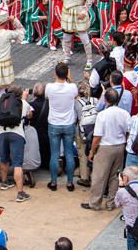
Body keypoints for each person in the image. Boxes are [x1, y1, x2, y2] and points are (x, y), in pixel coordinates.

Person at [34, 0, 93, 64]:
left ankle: (89, 60)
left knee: (84, 37)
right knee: (66, 36)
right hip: (67, 11)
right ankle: (67, 57)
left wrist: (84, 10)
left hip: (78, 11)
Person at [82, 88, 129, 211]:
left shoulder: (102, 115)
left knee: (99, 176)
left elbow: (97, 137)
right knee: (114, 176)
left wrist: (92, 152)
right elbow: (127, 132)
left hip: (105, 147)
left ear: (106, 100)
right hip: (119, 146)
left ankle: (95, 203)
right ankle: (110, 203)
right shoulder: (124, 113)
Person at [45, 62, 78, 191]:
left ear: (55, 73)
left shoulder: (49, 87)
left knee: (54, 154)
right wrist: (69, 78)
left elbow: (47, 97)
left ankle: (53, 182)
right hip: (69, 123)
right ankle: (70, 182)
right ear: (67, 74)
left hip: (54, 123)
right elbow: (75, 93)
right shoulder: (72, 87)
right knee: (69, 153)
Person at [0, 85, 32, 203]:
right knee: (17, 163)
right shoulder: (22, 103)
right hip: (17, 134)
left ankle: (4, 182)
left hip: (2, 133)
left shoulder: (1, 101)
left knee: (4, 159)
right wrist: (25, 100)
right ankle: (20, 192)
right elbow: (30, 115)